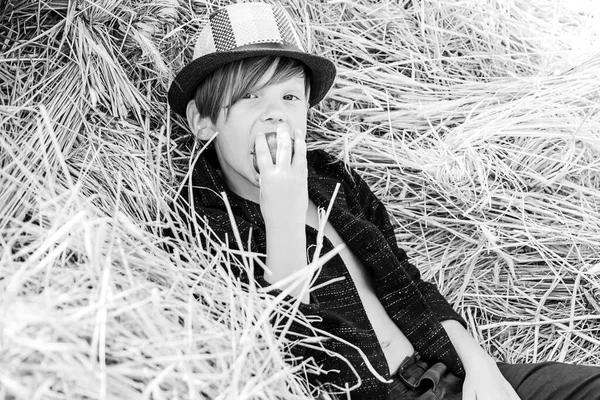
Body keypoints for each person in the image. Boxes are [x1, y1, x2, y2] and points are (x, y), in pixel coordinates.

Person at [167, 2, 600, 399]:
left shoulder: (332, 178)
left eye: (289, 96)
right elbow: (283, 347)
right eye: (249, 96)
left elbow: (410, 282)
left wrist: (482, 367)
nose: (275, 113)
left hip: (453, 369)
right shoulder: (200, 216)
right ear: (203, 121)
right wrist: (281, 219)